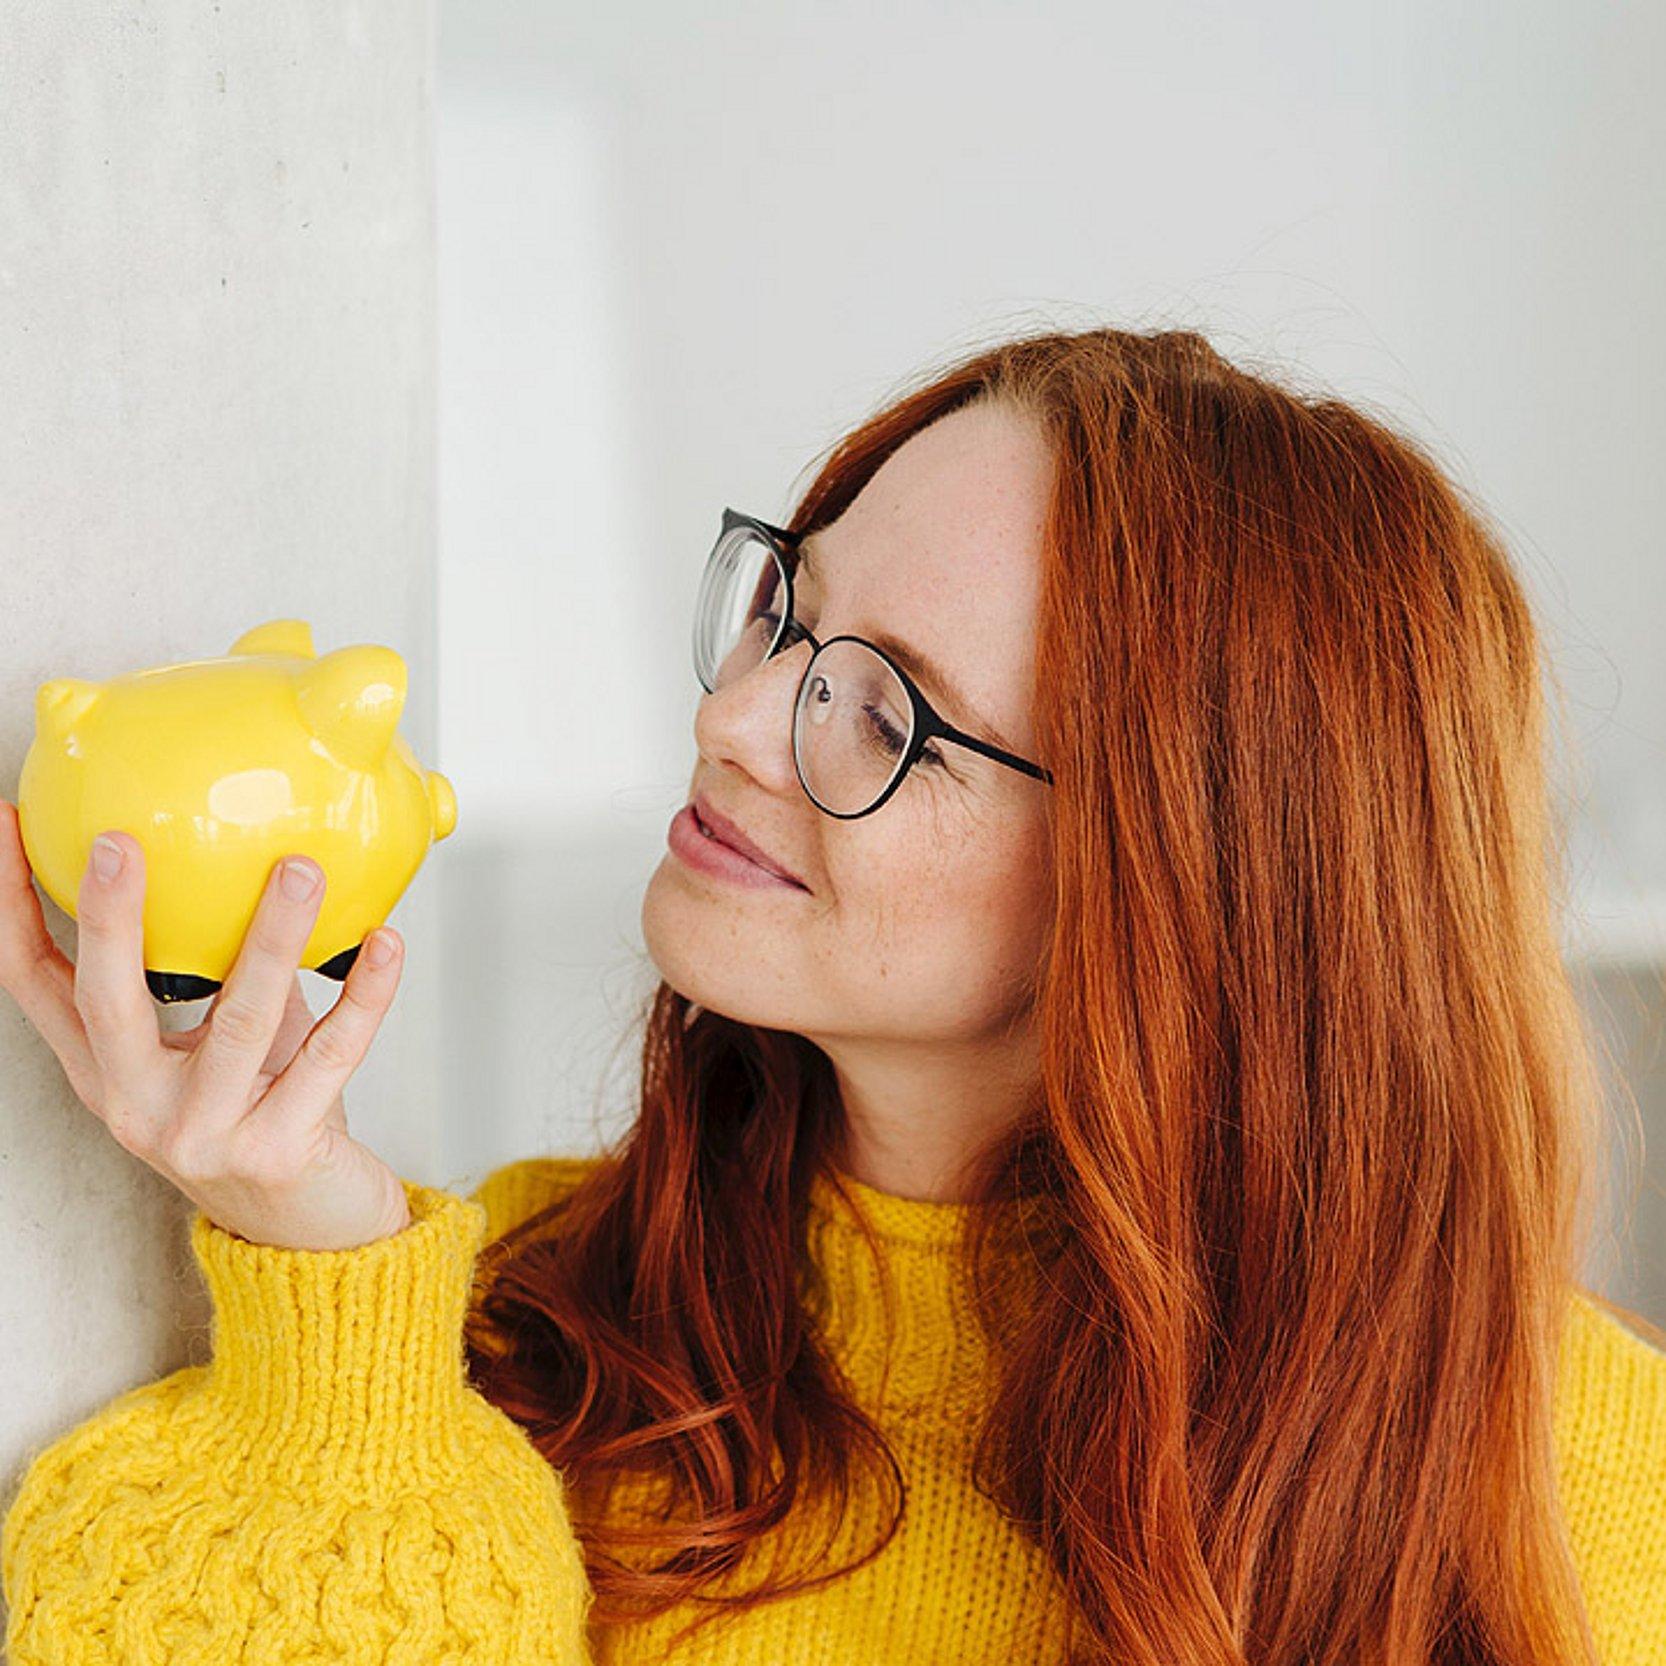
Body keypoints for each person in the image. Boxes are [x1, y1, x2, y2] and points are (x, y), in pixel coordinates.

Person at [3, 323, 1664, 1665]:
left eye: (887, 714)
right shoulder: (515, 1331)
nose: (735, 716)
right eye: (786, 606)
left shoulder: (1594, 1485)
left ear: (1188, 878)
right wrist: (327, 1300)